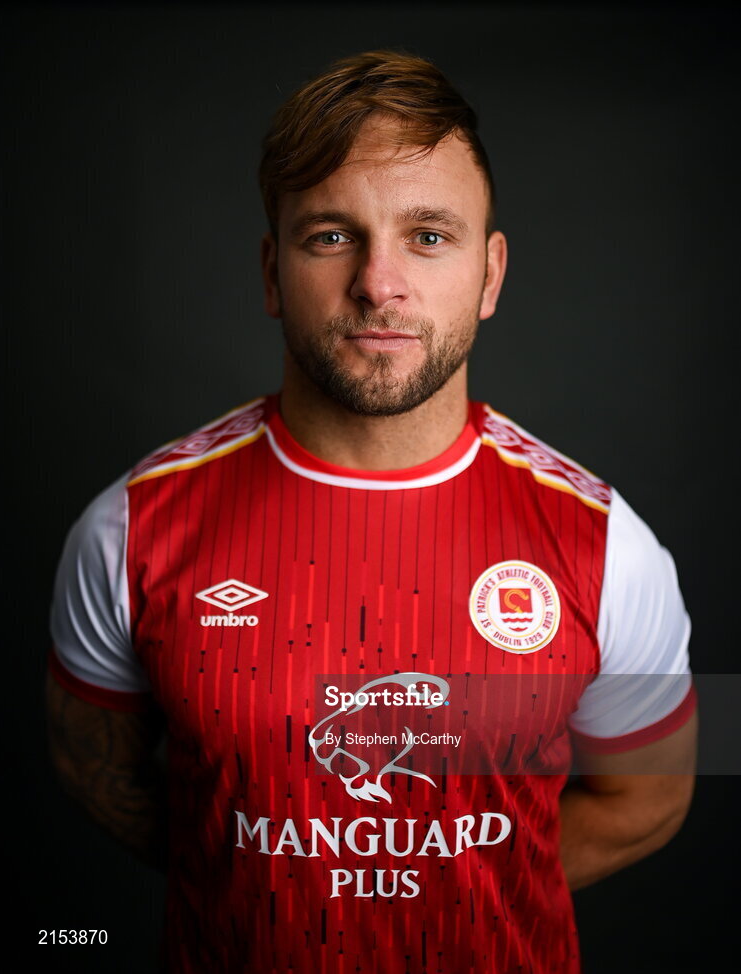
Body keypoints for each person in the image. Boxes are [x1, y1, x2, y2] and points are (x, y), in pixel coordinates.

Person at [46, 50, 697, 973]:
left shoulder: (608, 543)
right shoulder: (129, 527)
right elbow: (92, 771)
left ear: (490, 273)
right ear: (273, 273)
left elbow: (652, 801)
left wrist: (461, 900)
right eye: (330, 236)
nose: (378, 284)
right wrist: (248, 886)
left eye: (428, 236)